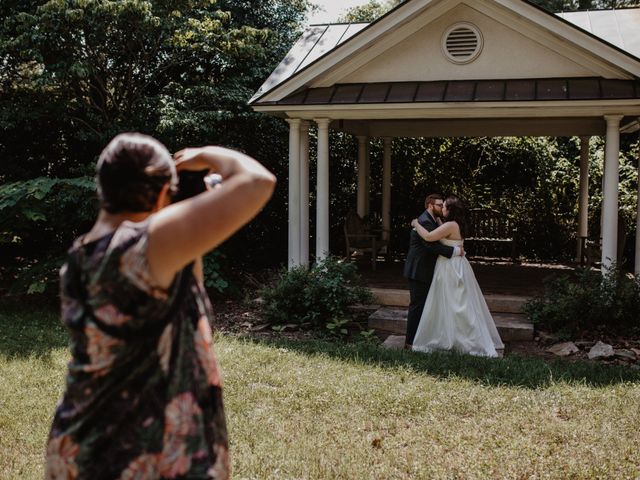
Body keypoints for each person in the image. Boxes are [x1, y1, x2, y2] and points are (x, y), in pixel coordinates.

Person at [44, 133, 276, 479]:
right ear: (164, 190)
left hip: (79, 448)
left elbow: (183, 286)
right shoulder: (143, 247)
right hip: (140, 455)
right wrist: (205, 154)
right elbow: (257, 181)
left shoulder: (82, 257)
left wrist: (193, 202)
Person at [410, 196, 504, 357]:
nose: (442, 209)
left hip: (449, 267)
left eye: (444, 206)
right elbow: (448, 237)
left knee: (453, 302)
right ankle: (458, 334)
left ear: (451, 210)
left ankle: (456, 337)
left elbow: (428, 237)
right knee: (459, 301)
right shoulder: (456, 224)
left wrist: (416, 224)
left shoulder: (450, 225)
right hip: (458, 265)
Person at [403, 194, 463, 349]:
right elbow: (431, 246)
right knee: (417, 306)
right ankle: (409, 342)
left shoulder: (433, 221)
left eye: (443, 205)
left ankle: (422, 338)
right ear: (430, 205)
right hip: (419, 270)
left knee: (425, 306)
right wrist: (455, 251)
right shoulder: (423, 221)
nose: (442, 207)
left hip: (427, 269)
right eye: (439, 205)